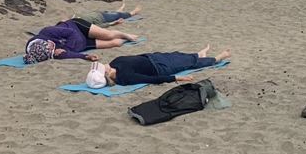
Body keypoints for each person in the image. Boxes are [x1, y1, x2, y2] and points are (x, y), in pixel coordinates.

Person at [99, 45, 231, 87]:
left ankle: (198, 54)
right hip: (160, 67)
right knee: (188, 64)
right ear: (108, 74)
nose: (102, 65)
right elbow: (151, 80)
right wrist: (177, 78)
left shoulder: (113, 63)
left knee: (177, 54)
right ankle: (217, 58)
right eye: (101, 68)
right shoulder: (126, 77)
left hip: (151, 57)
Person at [23, 18, 140, 64]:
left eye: (50, 46)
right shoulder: (46, 53)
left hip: (77, 27)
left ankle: (125, 35)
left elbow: (71, 33)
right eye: (51, 51)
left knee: (107, 35)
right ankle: (124, 40)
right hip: (82, 45)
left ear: (44, 42)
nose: (53, 49)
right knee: (114, 43)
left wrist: (64, 49)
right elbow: (66, 55)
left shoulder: (47, 31)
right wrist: (85, 56)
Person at [68, 4, 141, 26]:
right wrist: (112, 23)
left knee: (111, 13)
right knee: (116, 15)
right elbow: (98, 26)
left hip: (97, 13)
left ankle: (119, 11)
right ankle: (132, 13)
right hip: (102, 18)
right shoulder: (80, 25)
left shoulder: (72, 18)